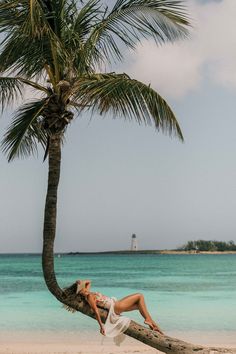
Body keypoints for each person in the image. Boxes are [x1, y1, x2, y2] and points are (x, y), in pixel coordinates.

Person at [76, 279, 164, 337]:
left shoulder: (88, 292)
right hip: (115, 306)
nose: (85, 289)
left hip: (116, 305)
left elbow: (88, 281)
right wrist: (101, 326)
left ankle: (154, 327)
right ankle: (149, 320)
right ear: (80, 292)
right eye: (82, 289)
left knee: (139, 306)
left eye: (83, 288)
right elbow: (95, 310)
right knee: (140, 296)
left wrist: (80, 282)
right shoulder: (89, 296)